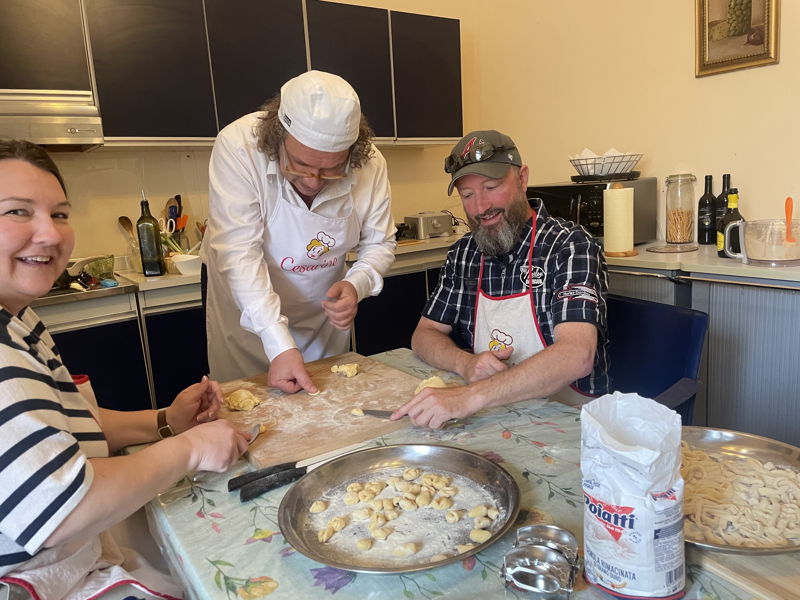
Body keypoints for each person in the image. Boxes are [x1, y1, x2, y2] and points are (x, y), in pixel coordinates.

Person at [0, 139, 249, 600]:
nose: (51, 234)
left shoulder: (18, 319)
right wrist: (191, 450)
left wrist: (165, 423)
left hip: (79, 554)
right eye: (17, 212)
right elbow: (64, 509)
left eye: (58, 213)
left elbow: (61, 432)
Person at [392, 130, 610, 429]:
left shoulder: (569, 245)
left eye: (491, 187)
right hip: (495, 418)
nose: (481, 207)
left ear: (522, 178)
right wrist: (464, 363)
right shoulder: (464, 253)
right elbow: (424, 334)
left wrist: (469, 397)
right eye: (467, 195)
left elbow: (577, 354)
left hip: (570, 420)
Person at [201, 70, 396, 391]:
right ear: (275, 137)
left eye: (331, 171)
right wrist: (278, 343)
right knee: (246, 400)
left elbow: (380, 244)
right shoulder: (238, 148)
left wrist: (355, 284)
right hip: (247, 310)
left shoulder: (370, 163)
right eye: (299, 165)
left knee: (324, 398)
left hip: (321, 313)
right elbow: (239, 255)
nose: (312, 182)